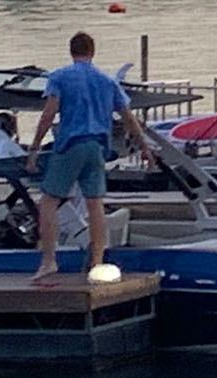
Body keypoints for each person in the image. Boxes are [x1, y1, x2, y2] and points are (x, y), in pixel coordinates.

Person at [24, 32, 149, 282]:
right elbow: (128, 117)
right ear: (93, 52)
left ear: (71, 51)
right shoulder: (107, 81)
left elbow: (49, 114)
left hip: (71, 144)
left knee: (48, 202)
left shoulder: (59, 77)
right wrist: (144, 147)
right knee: (95, 203)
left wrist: (34, 147)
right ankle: (97, 261)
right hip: (97, 147)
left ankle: (49, 261)